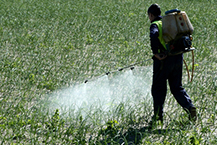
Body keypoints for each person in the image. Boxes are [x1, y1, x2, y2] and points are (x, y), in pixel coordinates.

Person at [147, 4, 197, 127]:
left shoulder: (155, 24)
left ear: (151, 15)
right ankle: (189, 107)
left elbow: (153, 35)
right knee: (176, 87)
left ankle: (158, 118)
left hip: (163, 61)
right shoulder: (169, 22)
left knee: (159, 89)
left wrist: (156, 53)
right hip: (178, 58)